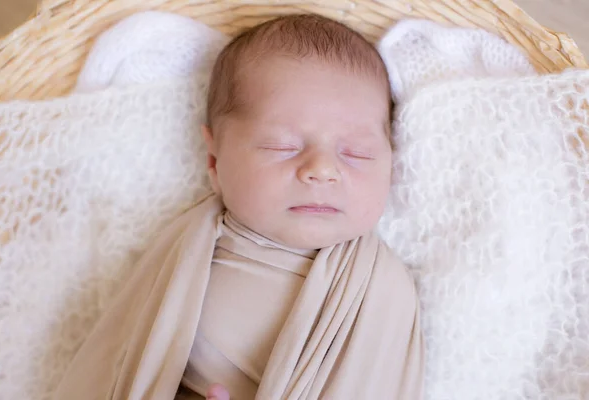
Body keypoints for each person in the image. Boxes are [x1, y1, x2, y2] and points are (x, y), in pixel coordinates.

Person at [54, 14, 424, 400]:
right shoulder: (186, 252)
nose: (322, 170)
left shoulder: (383, 291)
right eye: (283, 147)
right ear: (214, 161)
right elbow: (126, 365)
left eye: (356, 153)